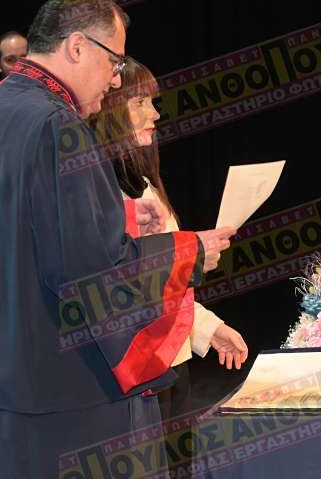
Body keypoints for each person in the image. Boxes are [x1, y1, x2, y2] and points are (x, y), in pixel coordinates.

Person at [0, 0, 241, 476]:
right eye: (115, 61)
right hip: (63, 390)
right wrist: (189, 251)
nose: (116, 78)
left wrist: (119, 218)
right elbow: (92, 273)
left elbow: (18, 231)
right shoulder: (58, 125)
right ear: (77, 46)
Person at [92, 56, 248, 422]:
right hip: (137, 373)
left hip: (171, 362)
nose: (155, 114)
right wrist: (192, 255)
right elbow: (122, 291)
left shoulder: (144, 185)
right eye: (140, 103)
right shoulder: (101, 193)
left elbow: (166, 290)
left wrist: (209, 329)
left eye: (152, 102)